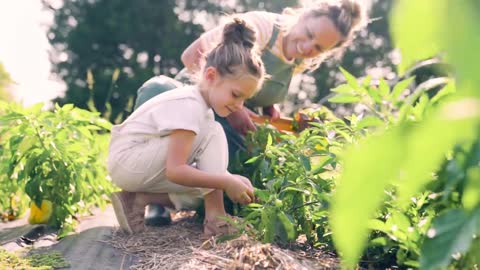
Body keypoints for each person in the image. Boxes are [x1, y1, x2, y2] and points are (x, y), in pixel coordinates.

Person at [137, 0, 366, 225]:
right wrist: (236, 107)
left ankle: (160, 198)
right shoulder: (262, 27)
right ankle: (152, 197)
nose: (307, 47)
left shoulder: (299, 60)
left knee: (241, 185)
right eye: (308, 34)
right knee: (158, 92)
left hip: (225, 118)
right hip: (194, 105)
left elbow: (256, 87)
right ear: (302, 15)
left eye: (318, 48)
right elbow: (190, 57)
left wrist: (271, 109)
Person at [108, 18, 266, 236]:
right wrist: (225, 179)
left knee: (210, 184)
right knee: (213, 142)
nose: (239, 106)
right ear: (211, 76)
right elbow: (176, 170)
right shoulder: (190, 105)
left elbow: (207, 174)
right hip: (128, 161)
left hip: (138, 165)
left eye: (244, 100)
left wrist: (232, 179)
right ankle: (216, 219)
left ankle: (136, 200)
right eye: (236, 95)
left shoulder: (203, 109)